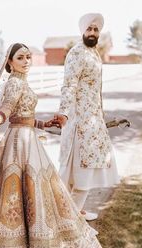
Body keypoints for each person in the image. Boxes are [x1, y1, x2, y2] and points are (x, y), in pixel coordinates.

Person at [0, 43, 102, 248]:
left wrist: (42, 124)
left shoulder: (22, 82)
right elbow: (7, 109)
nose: (26, 61)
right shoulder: (14, 83)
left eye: (28, 57)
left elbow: (22, 115)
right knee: (18, 194)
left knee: (33, 191)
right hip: (18, 143)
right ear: (10, 62)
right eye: (21, 58)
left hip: (28, 137)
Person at [54, 13, 120, 221]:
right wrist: (64, 112)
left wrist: (100, 116)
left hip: (93, 120)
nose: (92, 33)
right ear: (82, 31)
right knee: (77, 171)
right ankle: (67, 218)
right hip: (78, 121)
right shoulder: (77, 53)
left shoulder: (94, 54)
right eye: (89, 29)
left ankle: (74, 213)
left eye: (96, 30)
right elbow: (69, 84)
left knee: (89, 168)